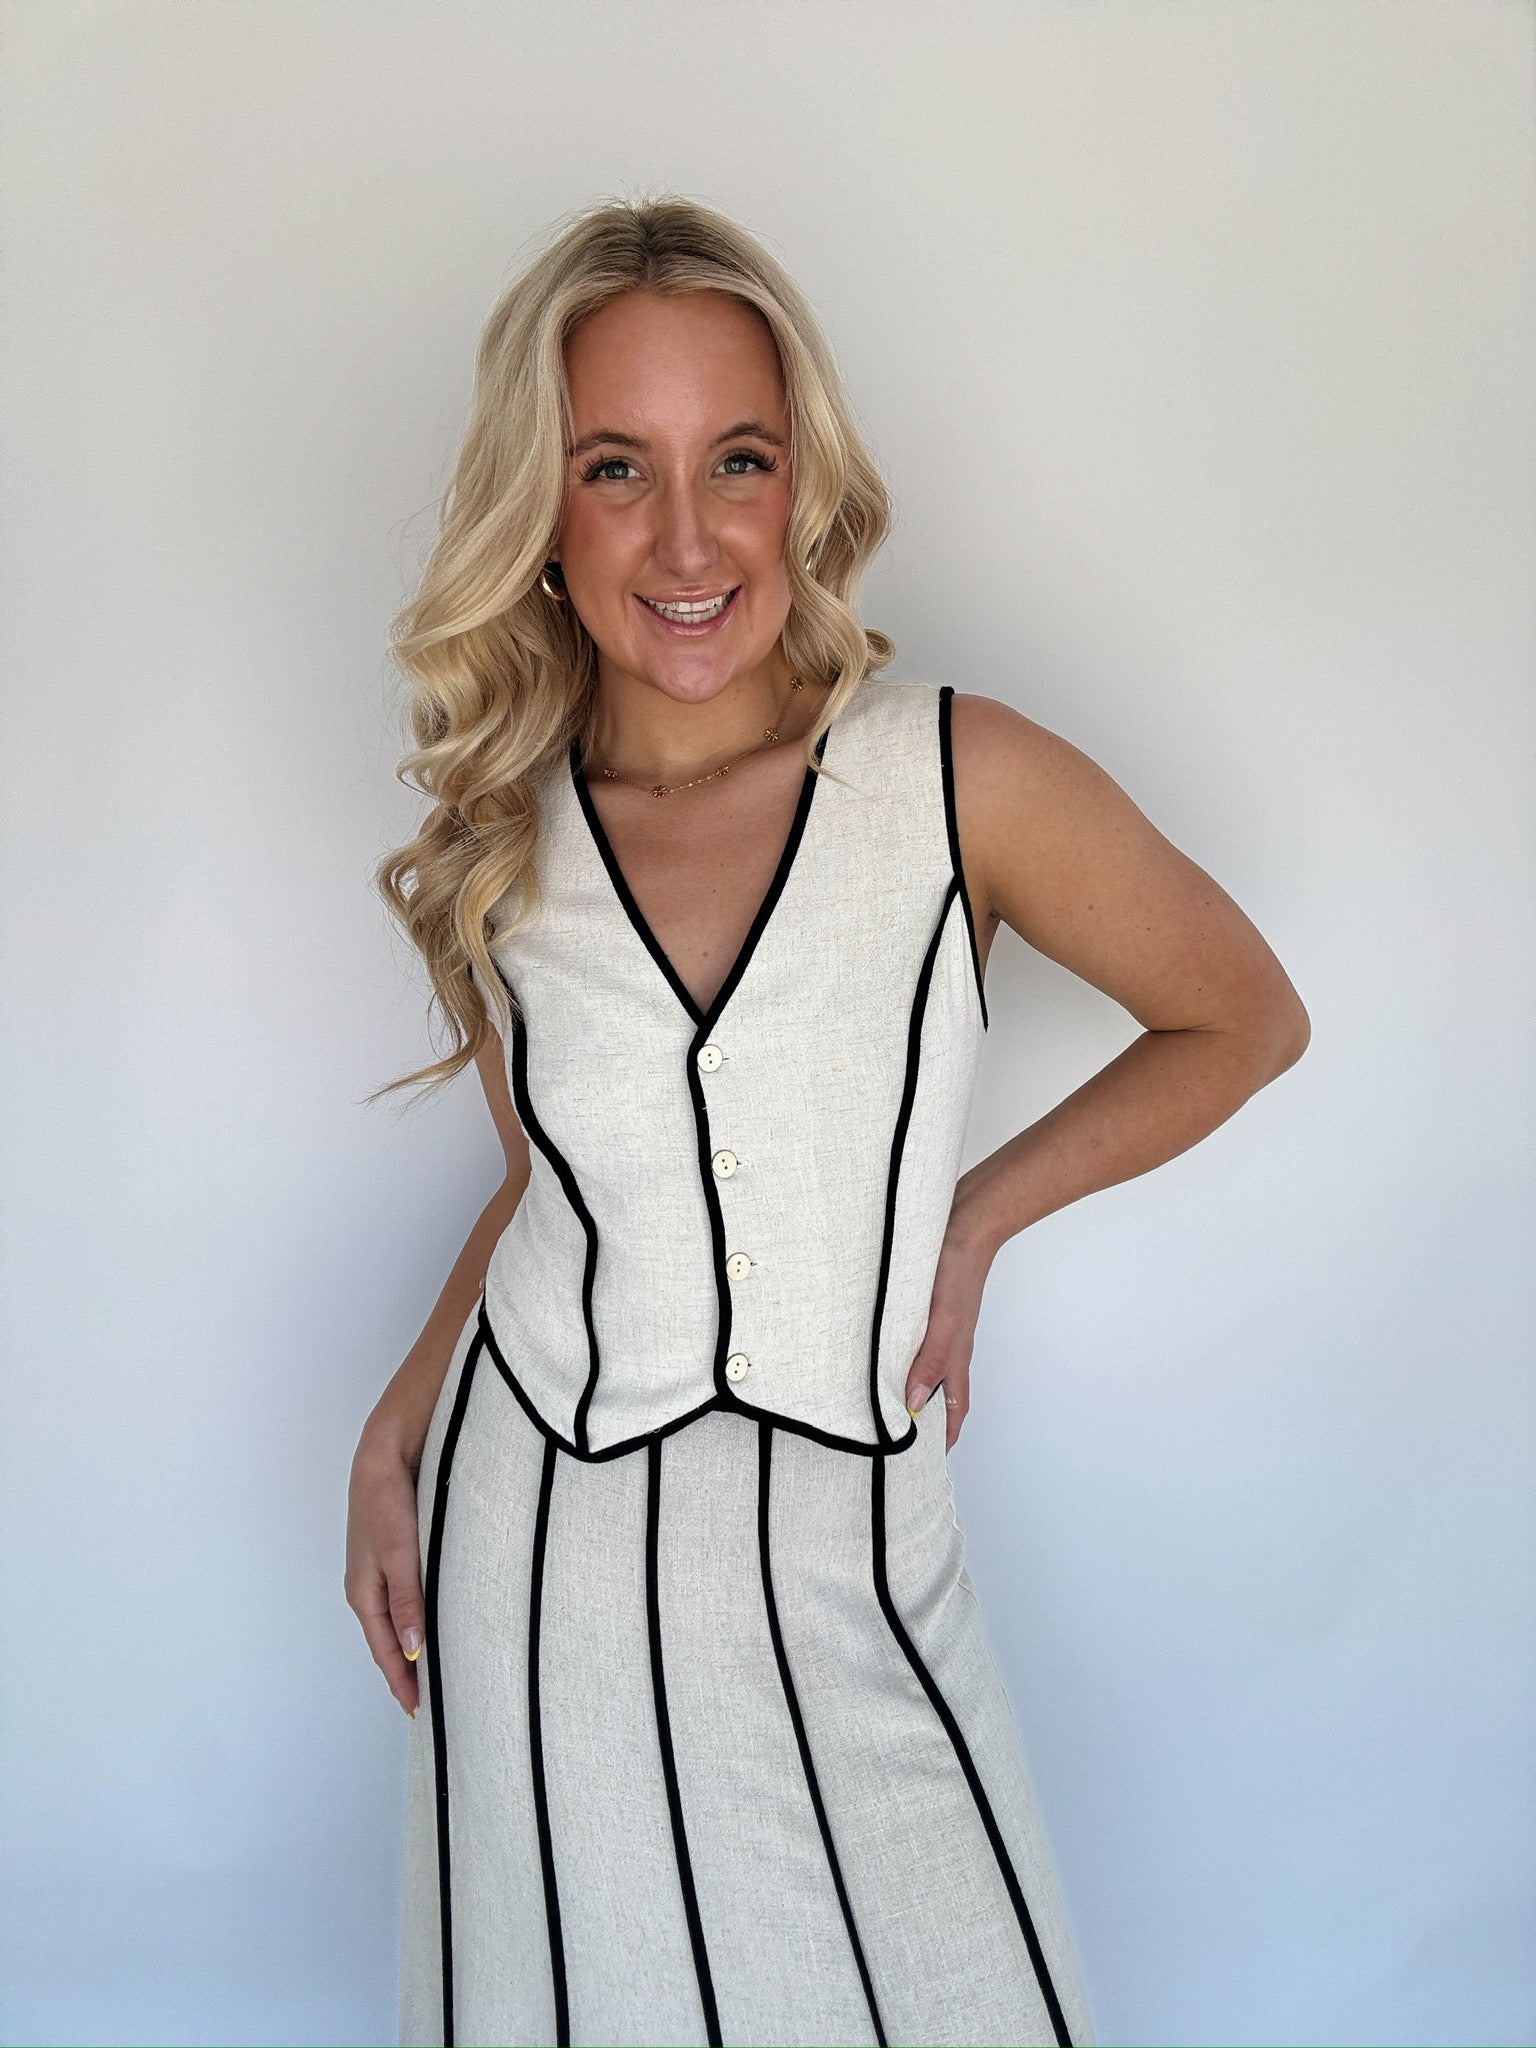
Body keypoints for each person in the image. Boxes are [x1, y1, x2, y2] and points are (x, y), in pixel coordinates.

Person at [346, 194, 1309, 2048]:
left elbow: (1241, 1016)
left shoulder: (957, 775)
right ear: (544, 509)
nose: (686, 536)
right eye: (615, 468)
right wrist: (394, 1431)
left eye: (740, 459)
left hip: (856, 1550)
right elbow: (551, 1186)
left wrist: (973, 1216)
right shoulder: (502, 842)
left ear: (803, 482)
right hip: (540, 1556)